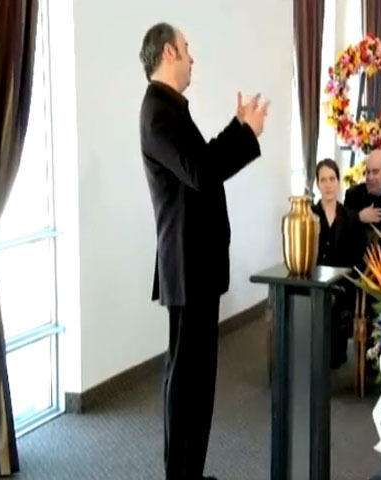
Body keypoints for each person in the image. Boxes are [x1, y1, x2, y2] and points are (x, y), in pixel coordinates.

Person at [138, 23, 269, 480]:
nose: (192, 57)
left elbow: (201, 163)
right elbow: (202, 170)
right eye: (187, 48)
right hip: (187, 264)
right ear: (169, 52)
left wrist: (237, 128)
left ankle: (189, 473)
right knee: (188, 382)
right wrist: (246, 132)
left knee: (196, 380)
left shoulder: (169, 108)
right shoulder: (159, 112)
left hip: (194, 263)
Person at [312, 159, 359, 368]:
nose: (328, 184)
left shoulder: (350, 217)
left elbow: (356, 259)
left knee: (335, 302)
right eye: (323, 180)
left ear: (338, 182)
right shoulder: (309, 215)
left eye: (332, 179)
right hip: (315, 282)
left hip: (343, 283)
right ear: (317, 184)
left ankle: (331, 354)